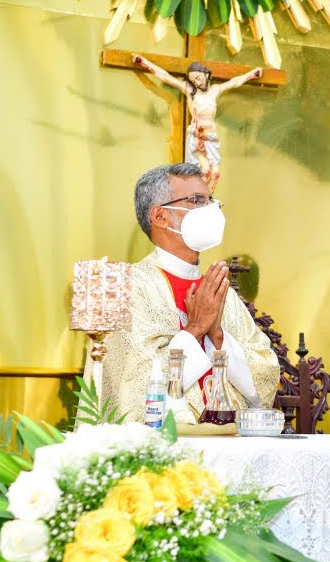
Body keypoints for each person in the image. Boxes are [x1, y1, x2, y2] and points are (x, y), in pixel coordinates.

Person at [87, 163, 279, 432]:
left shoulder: (221, 292)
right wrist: (196, 329)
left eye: (211, 200)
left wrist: (217, 336)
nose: (210, 210)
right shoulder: (125, 289)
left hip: (231, 440)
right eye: (197, 201)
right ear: (160, 216)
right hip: (165, 448)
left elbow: (264, 377)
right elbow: (132, 389)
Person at [133, 56, 263, 190]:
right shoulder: (190, 91)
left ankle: (207, 199)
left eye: (198, 77)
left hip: (211, 135)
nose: (197, 81)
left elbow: (234, 82)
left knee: (216, 174)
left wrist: (251, 75)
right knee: (205, 172)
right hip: (198, 135)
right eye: (194, 80)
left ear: (206, 74)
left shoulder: (215, 90)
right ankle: (195, 195)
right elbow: (166, 77)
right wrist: (144, 63)